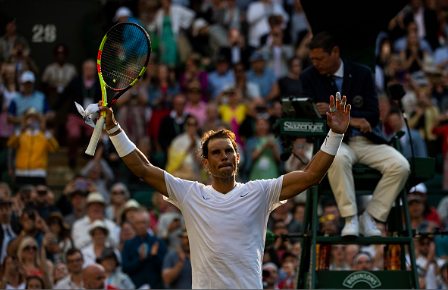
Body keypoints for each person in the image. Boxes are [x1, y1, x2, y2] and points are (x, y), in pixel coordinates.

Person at [96, 74, 350, 288]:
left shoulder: (261, 191)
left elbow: (311, 176)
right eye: (216, 153)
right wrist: (114, 129)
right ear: (205, 163)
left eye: (229, 151)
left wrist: (336, 133)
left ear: (237, 157)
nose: (224, 156)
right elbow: (142, 168)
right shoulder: (189, 193)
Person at [300, 31, 410, 237]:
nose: (315, 63)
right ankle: (350, 219)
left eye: (320, 58)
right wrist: (351, 120)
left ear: (335, 52)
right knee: (336, 157)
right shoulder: (308, 76)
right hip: (335, 141)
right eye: (312, 59)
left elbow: (373, 113)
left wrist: (346, 118)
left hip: (366, 140)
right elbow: (310, 117)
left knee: (401, 165)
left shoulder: (362, 72)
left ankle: (370, 217)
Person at [55, 59, 101, 169]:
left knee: (95, 134)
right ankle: (72, 157)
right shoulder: (76, 81)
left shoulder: (99, 83)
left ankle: (88, 156)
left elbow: (104, 100)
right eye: (87, 69)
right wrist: (54, 109)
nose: (89, 71)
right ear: (83, 70)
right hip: (75, 115)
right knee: (74, 134)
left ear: (95, 71)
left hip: (91, 116)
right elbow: (64, 95)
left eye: (91, 69)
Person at [7, 108, 59, 186]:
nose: (32, 120)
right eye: (29, 118)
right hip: (21, 172)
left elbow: (55, 148)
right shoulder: (21, 134)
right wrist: (22, 129)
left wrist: (45, 131)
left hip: (38, 173)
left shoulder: (43, 135)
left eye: (35, 118)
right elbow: (10, 144)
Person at [121, 209, 167, 288]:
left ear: (149, 223)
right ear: (133, 225)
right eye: (138, 223)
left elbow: (165, 267)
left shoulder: (158, 243)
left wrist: (155, 256)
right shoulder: (128, 245)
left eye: (143, 222)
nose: (141, 226)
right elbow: (125, 268)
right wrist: (139, 260)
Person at [165, 115, 202, 182]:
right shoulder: (177, 141)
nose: (192, 127)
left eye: (194, 124)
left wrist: (194, 149)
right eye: (189, 124)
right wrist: (189, 148)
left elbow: (201, 166)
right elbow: (173, 162)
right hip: (179, 173)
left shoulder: (201, 143)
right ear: (186, 126)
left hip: (195, 175)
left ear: (197, 126)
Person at [0, 197, 20, 264]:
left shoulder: (17, 227)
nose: (4, 212)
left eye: (7, 209)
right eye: (1, 209)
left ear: (11, 211)